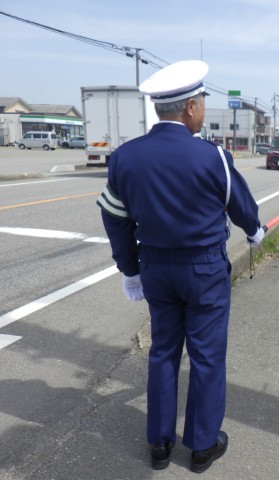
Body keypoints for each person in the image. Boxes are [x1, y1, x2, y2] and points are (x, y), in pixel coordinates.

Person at [96, 60, 264, 474]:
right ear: (190, 107)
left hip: (155, 268)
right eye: (202, 101)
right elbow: (241, 207)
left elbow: (114, 217)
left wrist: (129, 269)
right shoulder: (213, 156)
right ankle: (202, 446)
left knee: (163, 351)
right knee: (207, 356)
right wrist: (255, 232)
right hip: (204, 271)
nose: (202, 107)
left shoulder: (125, 157)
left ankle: (159, 443)